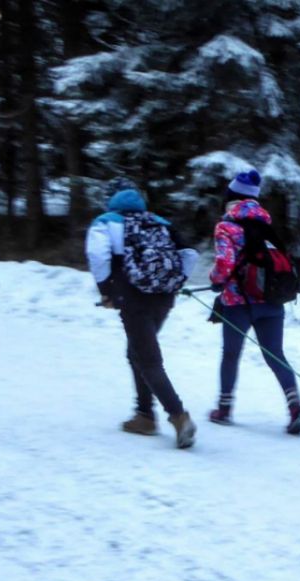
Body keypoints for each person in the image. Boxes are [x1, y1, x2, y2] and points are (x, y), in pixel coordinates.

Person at [85, 178, 198, 448]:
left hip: (132, 297)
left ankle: (178, 417)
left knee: (147, 359)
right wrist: (176, 281)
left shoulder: (106, 221)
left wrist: (106, 291)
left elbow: (98, 256)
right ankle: (144, 415)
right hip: (164, 297)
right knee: (137, 352)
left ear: (111, 198)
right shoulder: (159, 221)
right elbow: (189, 254)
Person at [207, 169, 300, 435]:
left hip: (238, 302)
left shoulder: (226, 226)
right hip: (272, 300)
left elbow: (224, 263)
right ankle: (295, 406)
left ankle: (224, 408)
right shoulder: (266, 225)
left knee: (231, 355)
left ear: (231, 196)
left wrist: (216, 281)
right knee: (276, 355)